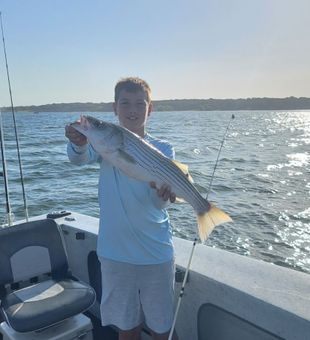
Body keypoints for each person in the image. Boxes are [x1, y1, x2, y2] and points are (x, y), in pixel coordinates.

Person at [65, 77, 178, 340]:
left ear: (150, 108)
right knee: (127, 328)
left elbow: (158, 204)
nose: (132, 110)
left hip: (155, 252)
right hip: (115, 253)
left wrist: (163, 196)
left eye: (140, 104)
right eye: (125, 103)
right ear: (114, 108)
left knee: (162, 329)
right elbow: (77, 159)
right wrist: (78, 143)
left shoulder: (163, 149)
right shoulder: (104, 141)